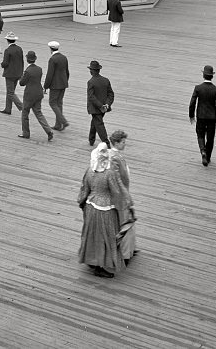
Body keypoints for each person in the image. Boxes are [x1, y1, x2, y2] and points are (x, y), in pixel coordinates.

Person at [77, 142, 131, 278]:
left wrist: (82, 202)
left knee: (91, 235)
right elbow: (116, 192)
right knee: (106, 237)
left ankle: (91, 259)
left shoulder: (89, 171)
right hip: (106, 210)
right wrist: (123, 206)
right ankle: (99, 265)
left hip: (91, 207)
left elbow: (84, 189)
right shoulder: (109, 174)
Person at [108, 129, 138, 265]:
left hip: (122, 194)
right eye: (123, 142)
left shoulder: (115, 155)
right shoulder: (114, 158)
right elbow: (118, 180)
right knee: (125, 223)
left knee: (127, 222)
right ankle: (125, 253)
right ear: (116, 143)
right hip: (120, 196)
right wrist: (127, 196)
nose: (125, 144)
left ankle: (130, 249)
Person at [188, 64, 216, 166]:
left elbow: (192, 102)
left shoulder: (198, 88)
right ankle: (208, 157)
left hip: (201, 115)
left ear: (203, 75)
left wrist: (191, 115)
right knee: (210, 137)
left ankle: (203, 151)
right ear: (212, 76)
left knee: (200, 134)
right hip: (212, 117)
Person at [18, 50, 54, 141]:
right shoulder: (39, 69)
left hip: (29, 95)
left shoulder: (27, 71)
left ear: (27, 59)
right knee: (38, 113)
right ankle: (48, 130)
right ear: (35, 59)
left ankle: (26, 133)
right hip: (38, 93)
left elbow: (22, 83)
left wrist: (21, 77)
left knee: (25, 113)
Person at [86, 59, 114, 145]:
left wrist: (100, 106)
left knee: (99, 124)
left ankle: (106, 143)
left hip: (95, 108)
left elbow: (91, 97)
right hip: (104, 108)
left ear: (91, 71)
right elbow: (111, 94)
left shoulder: (91, 82)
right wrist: (107, 104)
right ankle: (91, 139)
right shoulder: (106, 80)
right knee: (95, 122)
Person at [43, 39, 70, 130]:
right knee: (59, 103)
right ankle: (58, 125)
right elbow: (67, 72)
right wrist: (65, 81)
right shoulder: (64, 57)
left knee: (52, 103)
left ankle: (63, 121)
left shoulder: (52, 59)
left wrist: (45, 86)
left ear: (50, 49)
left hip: (55, 85)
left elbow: (49, 74)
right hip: (63, 83)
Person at [0, 34, 24, 115]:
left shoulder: (8, 50)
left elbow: (5, 63)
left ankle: (22, 107)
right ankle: (8, 109)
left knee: (10, 93)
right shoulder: (19, 49)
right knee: (10, 91)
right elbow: (22, 61)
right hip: (18, 73)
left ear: (7, 40)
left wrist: (2, 64)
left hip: (10, 74)